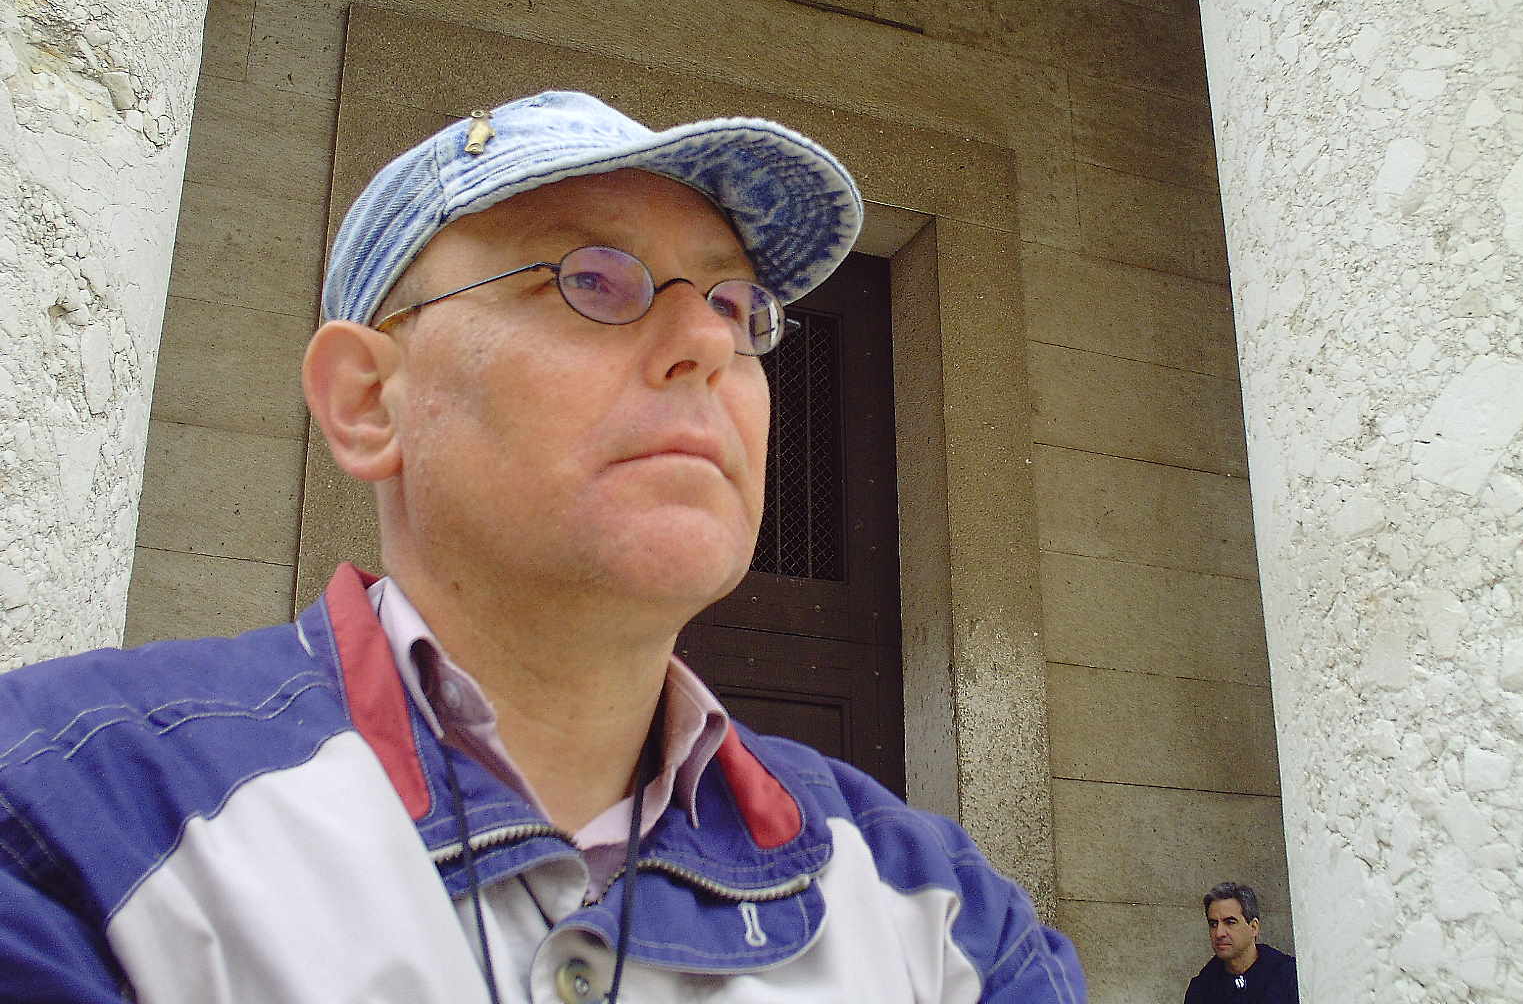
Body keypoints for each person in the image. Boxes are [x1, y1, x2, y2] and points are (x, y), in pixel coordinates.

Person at [0, 91, 1085, 1002]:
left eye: (735, 304)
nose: (706, 341)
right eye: (591, 279)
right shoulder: (67, 812)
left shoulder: (943, 910)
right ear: (368, 400)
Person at [1184, 882, 1298, 1003]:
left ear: (1253, 927)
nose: (1219, 933)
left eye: (1230, 922)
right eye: (1213, 924)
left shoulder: (1290, 976)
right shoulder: (1201, 989)